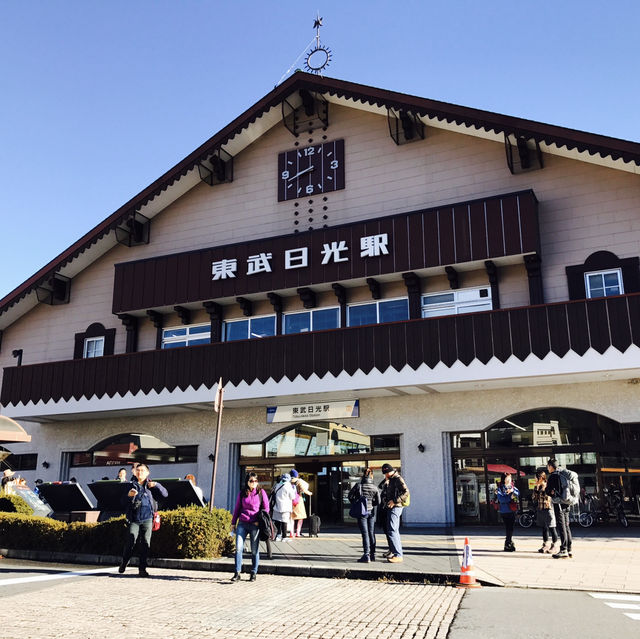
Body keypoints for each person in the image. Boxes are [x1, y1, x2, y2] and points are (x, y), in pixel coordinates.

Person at [119, 463, 167, 577]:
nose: (140, 472)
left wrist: (156, 485)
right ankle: (125, 561)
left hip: (148, 518)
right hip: (134, 519)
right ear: (135, 472)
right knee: (131, 540)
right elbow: (122, 502)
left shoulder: (151, 485)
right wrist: (129, 496)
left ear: (147, 473)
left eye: (142, 470)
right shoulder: (130, 485)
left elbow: (165, 494)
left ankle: (142, 569)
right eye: (138, 470)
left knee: (145, 543)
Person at [230, 472, 269, 582]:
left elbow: (266, 509)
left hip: (254, 525)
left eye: (256, 481)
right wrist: (233, 523)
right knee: (238, 548)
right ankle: (237, 573)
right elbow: (237, 508)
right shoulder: (242, 493)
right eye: (251, 481)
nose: (254, 483)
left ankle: (253, 572)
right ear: (247, 482)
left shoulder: (261, 493)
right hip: (242, 523)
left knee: (254, 550)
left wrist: (259, 521)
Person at [377, 463, 409, 563]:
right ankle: (393, 551)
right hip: (391, 507)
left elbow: (406, 492)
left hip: (396, 507)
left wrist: (395, 501)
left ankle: (398, 554)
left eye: (385, 473)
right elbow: (380, 486)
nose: (385, 475)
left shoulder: (398, 479)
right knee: (390, 529)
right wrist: (386, 480)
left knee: (392, 529)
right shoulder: (390, 479)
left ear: (390, 471)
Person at [349, 468, 380, 563]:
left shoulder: (359, 485)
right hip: (371, 512)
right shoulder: (375, 487)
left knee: (365, 533)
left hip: (362, 512)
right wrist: (371, 504)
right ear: (371, 476)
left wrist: (356, 502)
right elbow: (378, 501)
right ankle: (373, 554)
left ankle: (366, 555)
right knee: (371, 533)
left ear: (363, 476)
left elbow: (350, 496)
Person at [546, 458, 573, 559]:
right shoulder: (563, 474)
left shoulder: (553, 476)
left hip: (559, 504)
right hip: (566, 502)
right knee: (566, 526)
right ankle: (569, 549)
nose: (547, 468)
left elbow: (548, 491)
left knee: (561, 526)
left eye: (548, 466)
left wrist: (550, 492)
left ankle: (563, 549)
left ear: (551, 466)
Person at [532, 470, 558, 554]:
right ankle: (545, 544)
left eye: (536, 478)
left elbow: (548, 497)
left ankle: (554, 545)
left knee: (552, 527)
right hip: (540, 509)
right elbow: (534, 499)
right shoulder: (536, 487)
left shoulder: (548, 485)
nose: (534, 479)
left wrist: (542, 488)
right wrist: (536, 489)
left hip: (548, 509)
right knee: (544, 528)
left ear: (540, 477)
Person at [495, 472, 519, 552]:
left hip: (512, 509)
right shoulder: (500, 488)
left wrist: (513, 492)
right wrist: (510, 496)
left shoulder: (512, 486)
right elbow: (501, 500)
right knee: (508, 527)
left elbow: (518, 493)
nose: (509, 480)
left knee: (511, 527)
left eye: (510, 478)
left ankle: (509, 543)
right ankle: (508, 543)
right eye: (507, 478)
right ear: (504, 479)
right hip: (504, 510)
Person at [270, 473, 296, 542]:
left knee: (278, 522)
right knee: (284, 522)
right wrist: (294, 490)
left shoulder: (277, 485)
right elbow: (292, 497)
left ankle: (278, 535)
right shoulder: (288, 486)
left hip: (277, 506)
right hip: (285, 507)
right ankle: (284, 537)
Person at [289, 469, 312, 538]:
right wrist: (309, 493)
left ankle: (291, 532)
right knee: (300, 517)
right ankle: (298, 532)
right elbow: (304, 490)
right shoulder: (298, 481)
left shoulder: (288, 481)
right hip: (298, 501)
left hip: (290, 501)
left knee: (291, 518)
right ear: (296, 475)